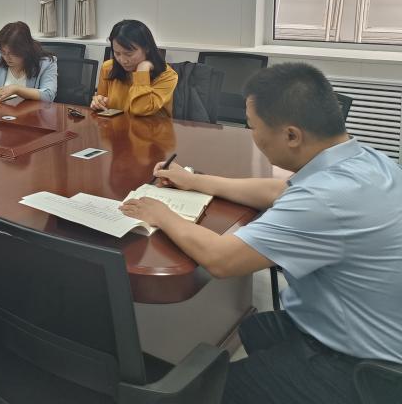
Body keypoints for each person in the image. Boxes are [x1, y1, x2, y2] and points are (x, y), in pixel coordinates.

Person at [119, 64, 402, 404]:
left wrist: (161, 213)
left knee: (208, 392)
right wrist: (194, 181)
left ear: (291, 136)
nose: (251, 134)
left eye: (253, 127)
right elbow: (277, 191)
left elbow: (221, 260)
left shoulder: (325, 199)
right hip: (367, 327)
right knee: (254, 330)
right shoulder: (366, 160)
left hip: (363, 369)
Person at [91, 19, 177, 116]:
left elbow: (140, 109)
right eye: (117, 53)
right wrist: (98, 102)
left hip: (152, 126)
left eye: (129, 54)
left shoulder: (167, 76)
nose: (123, 60)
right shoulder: (108, 68)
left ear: (147, 48)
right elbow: (102, 103)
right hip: (117, 125)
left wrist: (142, 71)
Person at [0, 21, 57, 101]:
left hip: (32, 115)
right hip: (0, 113)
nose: (7, 57)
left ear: (25, 49)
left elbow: (49, 95)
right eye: (3, 52)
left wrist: (16, 89)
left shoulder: (46, 63)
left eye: (12, 53)